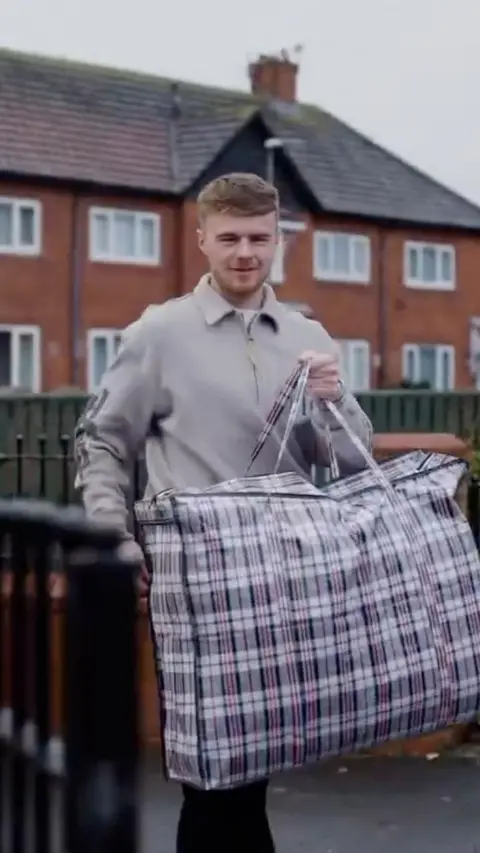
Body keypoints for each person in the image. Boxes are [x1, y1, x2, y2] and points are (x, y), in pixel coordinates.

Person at [74, 172, 373, 853]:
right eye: (231, 237)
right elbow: (101, 439)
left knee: (249, 774)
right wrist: (112, 536)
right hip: (196, 579)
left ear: (279, 242)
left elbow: (352, 462)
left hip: (287, 577)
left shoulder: (306, 333)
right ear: (202, 238)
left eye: (260, 238)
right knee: (214, 774)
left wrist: (332, 399)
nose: (245, 252)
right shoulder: (159, 333)